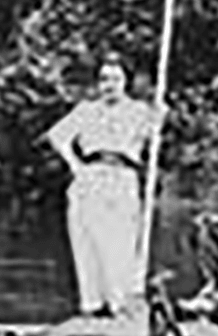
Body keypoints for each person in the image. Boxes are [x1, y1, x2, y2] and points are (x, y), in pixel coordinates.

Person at [45, 55, 162, 318]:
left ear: (126, 82)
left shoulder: (139, 111)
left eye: (116, 79)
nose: (109, 85)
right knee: (87, 244)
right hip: (91, 176)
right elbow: (57, 136)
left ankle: (119, 304)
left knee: (120, 243)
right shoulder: (86, 110)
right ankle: (92, 305)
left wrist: (159, 116)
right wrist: (75, 165)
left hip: (123, 176)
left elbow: (153, 137)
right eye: (104, 79)